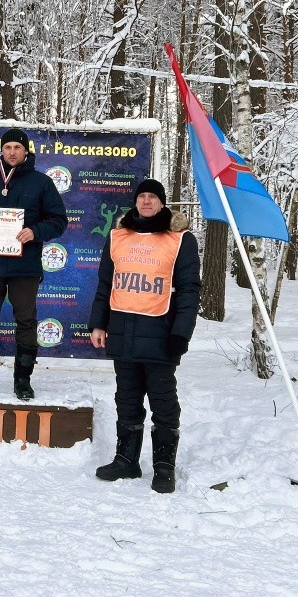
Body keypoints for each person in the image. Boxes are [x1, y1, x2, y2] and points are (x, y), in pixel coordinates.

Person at [88, 179, 200, 493]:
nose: (147, 201)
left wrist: (181, 332)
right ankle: (126, 460)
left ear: (162, 203)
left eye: (153, 196)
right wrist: (98, 324)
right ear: (136, 202)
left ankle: (164, 466)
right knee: (126, 398)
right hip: (123, 331)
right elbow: (104, 284)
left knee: (163, 402)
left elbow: (190, 290)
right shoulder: (118, 236)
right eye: (142, 196)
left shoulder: (180, 239)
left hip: (161, 333)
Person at [0, 128, 68, 399]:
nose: (12, 152)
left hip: (25, 266)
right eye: (7, 147)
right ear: (1, 151)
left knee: (26, 322)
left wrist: (35, 231)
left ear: (26, 151)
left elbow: (58, 220)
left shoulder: (42, 183)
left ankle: (23, 380)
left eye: (17, 148)